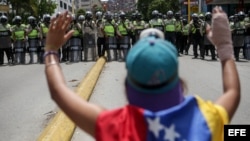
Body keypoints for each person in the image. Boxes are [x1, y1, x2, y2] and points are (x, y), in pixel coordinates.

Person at [44, 7, 240, 140]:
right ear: (180, 82)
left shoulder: (119, 128)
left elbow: (58, 91)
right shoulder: (205, 120)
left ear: (127, 86)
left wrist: (51, 49)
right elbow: (232, 92)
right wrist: (224, 46)